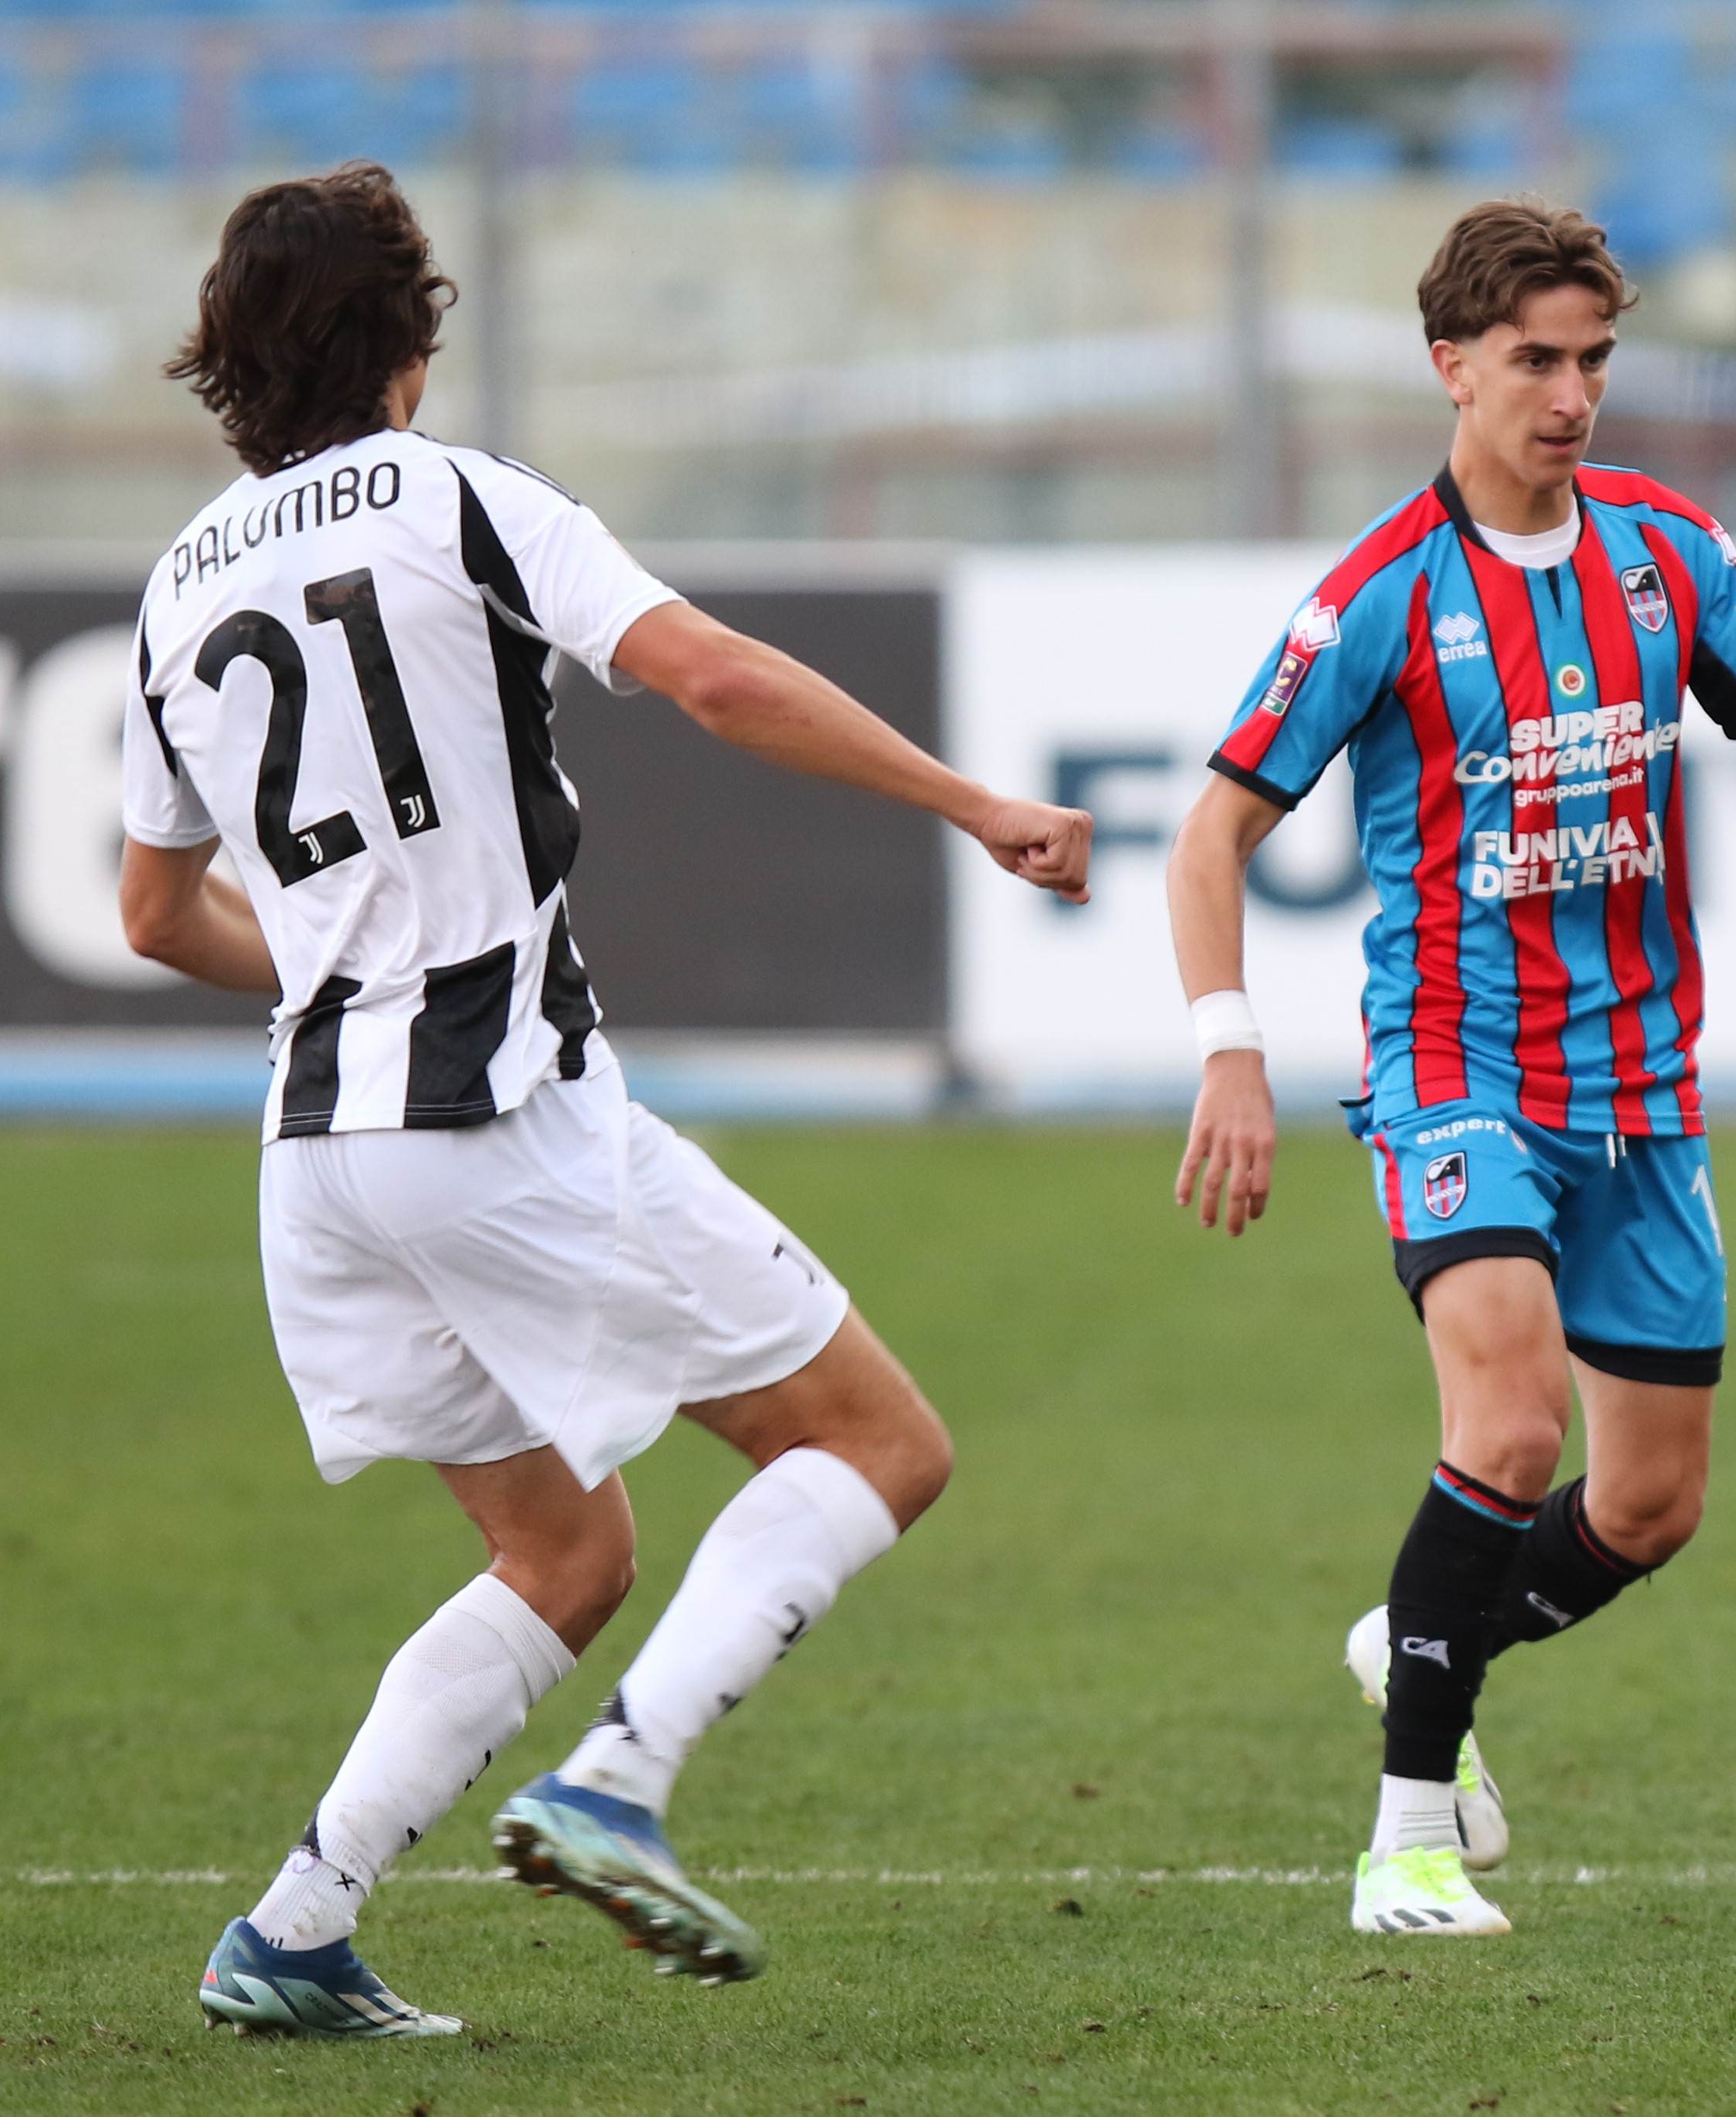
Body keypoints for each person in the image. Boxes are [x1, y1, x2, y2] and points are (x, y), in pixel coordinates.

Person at [127, 162, 1091, 2035]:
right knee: (876, 1442)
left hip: (318, 1156)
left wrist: (337, 967)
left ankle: (294, 1931)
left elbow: (155, 916)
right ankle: (616, 1785)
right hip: (496, 1113)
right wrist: (974, 803)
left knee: (565, 1550)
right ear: (407, 345)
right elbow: (710, 679)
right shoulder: (454, 497)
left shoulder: (177, 586)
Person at [1165, 199, 1736, 1936]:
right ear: (1449, 366)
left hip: (1640, 1090)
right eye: (1535, 360)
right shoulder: (1379, 594)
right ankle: (1403, 1848)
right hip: (1453, 1068)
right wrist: (1229, 1050)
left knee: (1650, 1503)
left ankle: (1415, 1636)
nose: (1571, 394)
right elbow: (1211, 832)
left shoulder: (1668, 553)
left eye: (1593, 360)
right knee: (1512, 1426)